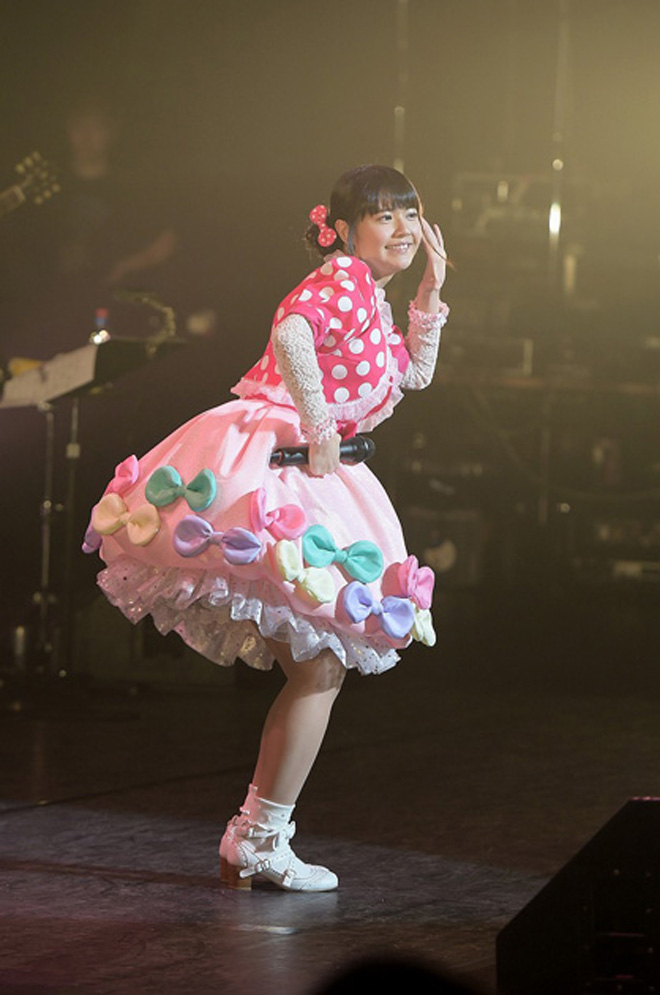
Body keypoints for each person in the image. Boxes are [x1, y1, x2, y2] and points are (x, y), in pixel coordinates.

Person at [86, 163, 449, 892]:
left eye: (411, 214)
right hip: (277, 462)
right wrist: (319, 425)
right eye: (386, 216)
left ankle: (257, 835)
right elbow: (291, 332)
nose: (405, 229)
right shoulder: (343, 279)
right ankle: (257, 836)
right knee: (322, 664)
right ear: (343, 230)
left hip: (310, 469)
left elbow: (411, 375)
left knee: (322, 664)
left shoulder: (370, 297)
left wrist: (430, 295)